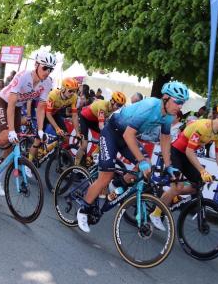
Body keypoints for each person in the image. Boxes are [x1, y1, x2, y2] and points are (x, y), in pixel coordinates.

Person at [77, 81, 189, 233]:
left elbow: (165, 138)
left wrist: (168, 165)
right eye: (178, 102)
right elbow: (128, 134)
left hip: (126, 136)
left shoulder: (169, 116)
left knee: (146, 164)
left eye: (183, 103)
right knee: (106, 176)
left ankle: (118, 184)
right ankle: (83, 209)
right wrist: (141, 160)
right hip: (112, 132)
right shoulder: (149, 106)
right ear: (165, 98)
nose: (180, 106)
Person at [149, 102, 218, 231]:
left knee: (197, 185)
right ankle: (156, 213)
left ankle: (173, 196)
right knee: (178, 186)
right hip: (176, 152)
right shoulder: (203, 126)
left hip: (186, 155)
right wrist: (202, 170)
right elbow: (189, 151)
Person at [0, 51, 56, 196]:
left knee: (12, 146)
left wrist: (40, 130)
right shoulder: (23, 76)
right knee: (7, 135)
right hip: (3, 102)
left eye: (51, 69)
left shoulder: (47, 82)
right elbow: (12, 102)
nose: (47, 72)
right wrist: (12, 129)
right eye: (45, 67)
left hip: (18, 107)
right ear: (36, 65)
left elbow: (41, 107)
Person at [28, 77, 81, 162]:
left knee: (65, 136)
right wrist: (57, 128)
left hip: (55, 114)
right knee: (37, 141)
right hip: (44, 114)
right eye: (70, 91)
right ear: (63, 89)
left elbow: (74, 115)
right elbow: (48, 114)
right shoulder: (53, 95)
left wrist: (77, 132)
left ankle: (47, 148)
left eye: (74, 91)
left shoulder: (74, 98)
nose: (72, 93)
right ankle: (28, 163)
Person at [74, 92, 126, 166]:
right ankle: (75, 166)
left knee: (106, 136)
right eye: (118, 105)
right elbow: (101, 126)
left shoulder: (112, 109)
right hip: (85, 118)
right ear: (112, 101)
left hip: (94, 120)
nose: (118, 107)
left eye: (121, 106)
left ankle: (91, 157)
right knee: (84, 145)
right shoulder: (103, 107)